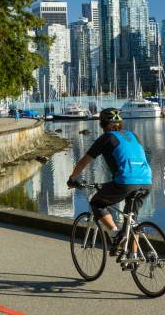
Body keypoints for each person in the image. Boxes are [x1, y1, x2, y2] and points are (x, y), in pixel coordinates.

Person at [67, 108, 152, 255]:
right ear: (120, 123)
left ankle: (115, 234)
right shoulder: (133, 135)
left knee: (97, 203)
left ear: (102, 124)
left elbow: (83, 162)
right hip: (147, 181)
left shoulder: (106, 138)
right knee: (132, 220)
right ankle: (134, 257)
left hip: (126, 182)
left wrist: (72, 179)